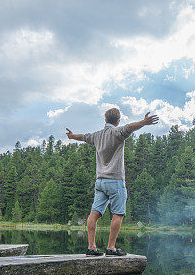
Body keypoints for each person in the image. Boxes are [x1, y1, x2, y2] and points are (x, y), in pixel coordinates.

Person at [65, 108, 159, 256]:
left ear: (105, 119)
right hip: (115, 181)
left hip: (100, 182)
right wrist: (144, 122)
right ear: (118, 120)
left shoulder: (96, 136)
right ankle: (111, 248)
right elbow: (130, 127)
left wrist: (71, 136)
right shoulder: (117, 133)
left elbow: (82, 137)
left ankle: (91, 247)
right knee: (118, 214)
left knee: (94, 213)